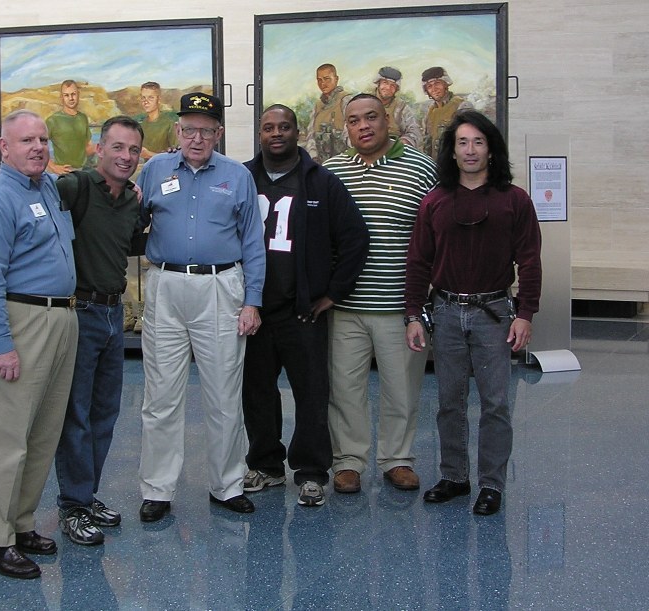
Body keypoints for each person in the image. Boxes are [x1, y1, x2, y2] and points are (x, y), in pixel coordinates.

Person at [404, 110, 542, 516]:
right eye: (462, 142)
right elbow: (418, 261)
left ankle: (491, 484)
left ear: (491, 150)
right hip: (446, 312)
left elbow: (530, 261)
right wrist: (414, 313)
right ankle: (454, 476)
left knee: (496, 402)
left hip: (494, 313)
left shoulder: (514, 200)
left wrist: (526, 313)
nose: (470, 150)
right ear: (452, 151)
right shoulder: (435, 201)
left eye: (478, 142)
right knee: (449, 401)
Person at [136, 92, 265, 522]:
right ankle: (157, 488)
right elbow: (132, 223)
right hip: (166, 286)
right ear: (177, 130)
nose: (196, 138)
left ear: (219, 133)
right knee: (161, 394)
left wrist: (253, 300)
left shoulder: (236, 176)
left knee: (224, 393)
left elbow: (253, 242)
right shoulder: (154, 170)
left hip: (220, 287)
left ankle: (227, 484)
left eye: (205, 130)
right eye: (188, 129)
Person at [0, 109, 78, 579]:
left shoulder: (46, 187)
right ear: (3, 147)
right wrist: (1, 344)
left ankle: (22, 522)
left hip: (59, 319)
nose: (38, 147)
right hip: (17, 321)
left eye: (43, 140)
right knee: (7, 437)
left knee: (42, 433)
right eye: (26, 140)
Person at [242, 104, 369, 507]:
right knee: (257, 391)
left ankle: (312, 472)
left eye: (284, 127)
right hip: (255, 310)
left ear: (298, 132)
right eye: (268, 128)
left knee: (311, 393)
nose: (276, 133)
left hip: (303, 310)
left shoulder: (321, 182)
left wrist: (331, 294)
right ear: (259, 134)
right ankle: (266, 465)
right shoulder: (242, 178)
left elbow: (354, 239)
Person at [323, 93, 437, 495]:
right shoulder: (332, 172)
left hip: (400, 307)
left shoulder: (422, 168)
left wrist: (424, 302)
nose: (363, 126)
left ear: (386, 118)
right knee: (345, 388)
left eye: (371, 117)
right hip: (345, 306)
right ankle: (348, 460)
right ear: (346, 128)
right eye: (353, 121)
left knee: (402, 389)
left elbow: (437, 237)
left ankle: (397, 459)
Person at [53, 116, 145, 545]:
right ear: (99, 148)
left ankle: (87, 496)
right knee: (76, 415)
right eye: (117, 148)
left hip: (114, 316)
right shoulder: (75, 188)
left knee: (104, 413)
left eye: (133, 150)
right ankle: (71, 505)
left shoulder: (131, 200)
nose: (125, 157)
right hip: (80, 312)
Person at [421, 67, 474, 160]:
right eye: (429, 86)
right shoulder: (430, 113)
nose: (434, 89)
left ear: (445, 84)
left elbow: (470, 141)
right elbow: (427, 144)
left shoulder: (462, 106)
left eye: (437, 83)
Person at [304, 64, 352, 163]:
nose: (323, 83)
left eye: (327, 79)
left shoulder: (346, 100)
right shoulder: (317, 106)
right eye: (319, 80)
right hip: (321, 163)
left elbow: (351, 134)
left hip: (344, 162)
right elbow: (311, 136)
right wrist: (313, 158)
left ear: (336, 79)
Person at [46, 80, 95, 175]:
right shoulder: (53, 120)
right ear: (61, 97)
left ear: (78, 95)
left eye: (73, 94)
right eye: (66, 95)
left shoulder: (83, 118)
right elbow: (39, 146)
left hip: (84, 172)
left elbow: (88, 146)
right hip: (64, 174)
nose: (71, 98)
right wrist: (53, 167)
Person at [372, 66, 422, 150]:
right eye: (385, 83)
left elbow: (415, 131)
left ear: (396, 89)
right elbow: (348, 131)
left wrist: (401, 143)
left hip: (395, 150)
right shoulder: (362, 103)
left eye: (392, 85)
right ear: (378, 84)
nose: (388, 88)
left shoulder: (402, 108)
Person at [135, 81, 178, 166]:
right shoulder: (141, 126)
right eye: (143, 98)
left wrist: (149, 154)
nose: (145, 101)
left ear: (159, 100)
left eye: (151, 97)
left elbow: (177, 157)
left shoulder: (169, 124)